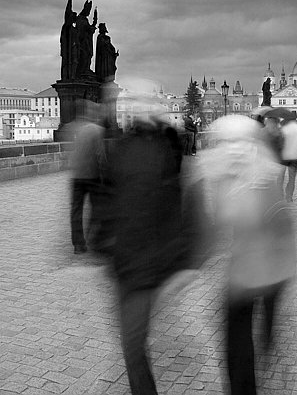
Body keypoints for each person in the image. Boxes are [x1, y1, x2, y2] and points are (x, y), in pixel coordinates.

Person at [106, 111, 201, 395]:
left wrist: (180, 261)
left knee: (132, 343)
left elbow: (177, 210)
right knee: (131, 342)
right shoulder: (121, 149)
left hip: (143, 262)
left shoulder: (162, 153)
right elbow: (107, 200)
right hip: (127, 258)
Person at [204, 115, 296, 395]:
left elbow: (232, 216)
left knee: (237, 342)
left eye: (231, 142)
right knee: (243, 333)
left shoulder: (254, 175)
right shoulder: (259, 169)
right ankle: (266, 340)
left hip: (252, 271)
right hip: (264, 267)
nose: (228, 149)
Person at [64, 100, 108, 254]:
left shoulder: (74, 127)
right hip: (92, 175)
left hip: (76, 175)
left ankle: (78, 244)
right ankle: (93, 239)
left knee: (76, 210)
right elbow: (100, 155)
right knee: (97, 208)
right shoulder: (98, 130)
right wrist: (104, 175)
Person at [278, 118, 297, 202]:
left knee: (280, 177)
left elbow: (278, 142)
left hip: (282, 156)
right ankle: (289, 196)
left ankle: (280, 195)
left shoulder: (282, 129)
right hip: (294, 156)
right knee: (292, 178)